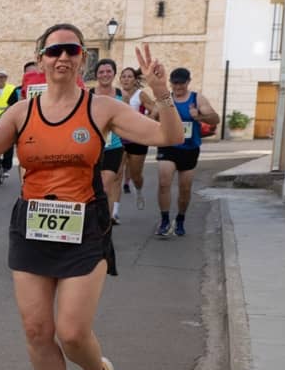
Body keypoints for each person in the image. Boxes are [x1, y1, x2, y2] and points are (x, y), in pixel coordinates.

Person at [0, 24, 184, 370]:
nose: (62, 57)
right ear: (41, 59)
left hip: (84, 226)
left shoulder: (101, 108)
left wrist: (162, 95)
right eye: (54, 51)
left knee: (72, 332)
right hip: (32, 226)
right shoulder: (22, 111)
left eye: (71, 49)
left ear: (82, 57)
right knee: (36, 330)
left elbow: (169, 136)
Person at [155, 67, 219, 237]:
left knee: (185, 189)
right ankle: (164, 220)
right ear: (171, 83)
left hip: (189, 149)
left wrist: (198, 116)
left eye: (181, 83)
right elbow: (152, 116)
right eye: (175, 83)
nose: (178, 86)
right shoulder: (166, 99)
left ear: (188, 82)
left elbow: (215, 119)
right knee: (164, 182)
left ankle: (180, 219)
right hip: (168, 146)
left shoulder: (197, 99)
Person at [91, 59, 125, 225]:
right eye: (101, 72)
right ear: (96, 75)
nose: (105, 75)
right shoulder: (88, 95)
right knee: (92, 188)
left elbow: (128, 119)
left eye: (108, 71)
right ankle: (93, 223)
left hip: (114, 147)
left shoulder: (121, 95)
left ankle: (105, 225)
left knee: (106, 186)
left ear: (114, 74)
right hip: (92, 148)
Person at [119, 67, 151, 211]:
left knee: (136, 175)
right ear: (120, 79)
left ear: (135, 80)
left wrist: (145, 121)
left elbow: (155, 109)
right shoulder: (116, 94)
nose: (126, 79)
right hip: (119, 139)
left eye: (129, 76)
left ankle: (138, 191)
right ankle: (114, 211)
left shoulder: (140, 95)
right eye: (124, 76)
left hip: (137, 139)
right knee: (115, 174)